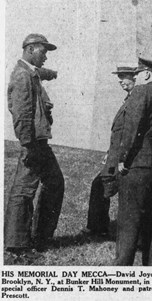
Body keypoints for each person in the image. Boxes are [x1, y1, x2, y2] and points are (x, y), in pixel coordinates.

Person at [4, 33, 64, 257]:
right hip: (33, 144)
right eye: (43, 51)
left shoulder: (31, 72)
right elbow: (21, 115)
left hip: (39, 143)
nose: (46, 56)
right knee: (24, 191)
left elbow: (40, 73)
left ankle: (40, 236)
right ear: (30, 50)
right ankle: (18, 245)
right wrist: (28, 144)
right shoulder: (22, 76)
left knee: (55, 182)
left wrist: (52, 74)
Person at [113, 58, 152, 266]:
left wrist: (122, 159)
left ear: (146, 74)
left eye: (137, 73)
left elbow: (132, 128)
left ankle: (121, 267)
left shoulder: (140, 91)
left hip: (139, 164)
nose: (135, 76)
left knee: (129, 217)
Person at [84, 65, 137, 236]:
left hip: (123, 158)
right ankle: (98, 227)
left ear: (135, 78)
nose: (120, 81)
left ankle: (102, 229)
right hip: (115, 155)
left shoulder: (136, 100)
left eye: (124, 77)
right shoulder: (129, 98)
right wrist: (109, 152)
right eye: (119, 77)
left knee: (106, 188)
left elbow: (131, 132)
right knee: (99, 186)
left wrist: (123, 157)